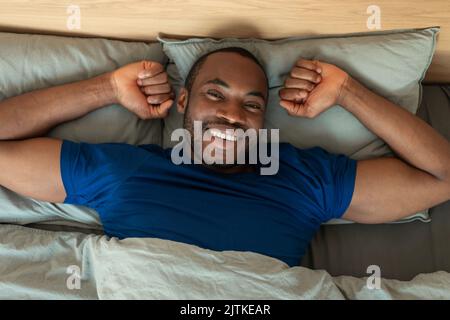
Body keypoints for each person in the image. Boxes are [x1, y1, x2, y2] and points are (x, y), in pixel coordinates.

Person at [0, 47, 449, 267]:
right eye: (214, 94)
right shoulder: (125, 172)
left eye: (252, 104)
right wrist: (106, 89)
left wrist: (348, 92)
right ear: (183, 102)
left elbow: (443, 175)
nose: (231, 116)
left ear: (265, 118)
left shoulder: (304, 177)